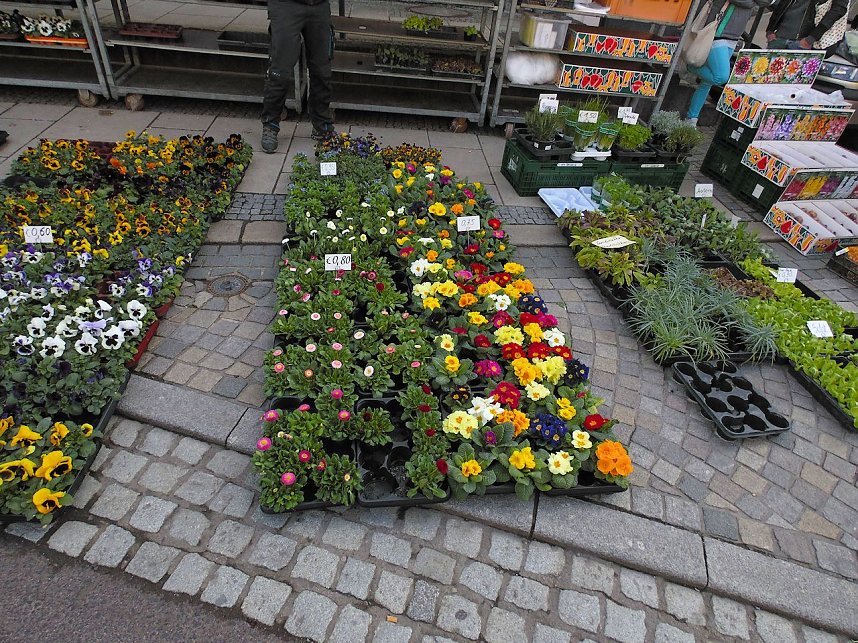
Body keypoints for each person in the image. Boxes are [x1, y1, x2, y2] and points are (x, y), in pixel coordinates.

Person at [261, 0, 335, 153]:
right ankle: (270, 124)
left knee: (322, 71)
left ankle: (322, 125)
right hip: (286, 6)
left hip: (319, 6)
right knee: (279, 72)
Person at [685, 0, 775, 126]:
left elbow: (768, 1)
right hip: (718, 31)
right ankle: (692, 68)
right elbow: (745, 2)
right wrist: (753, 3)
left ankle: (691, 119)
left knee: (707, 83)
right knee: (720, 77)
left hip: (734, 35)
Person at [766, 0, 851, 50]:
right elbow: (782, 3)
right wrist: (770, 29)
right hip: (778, 37)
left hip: (803, 41)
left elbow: (838, 10)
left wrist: (812, 38)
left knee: (796, 78)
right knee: (765, 77)